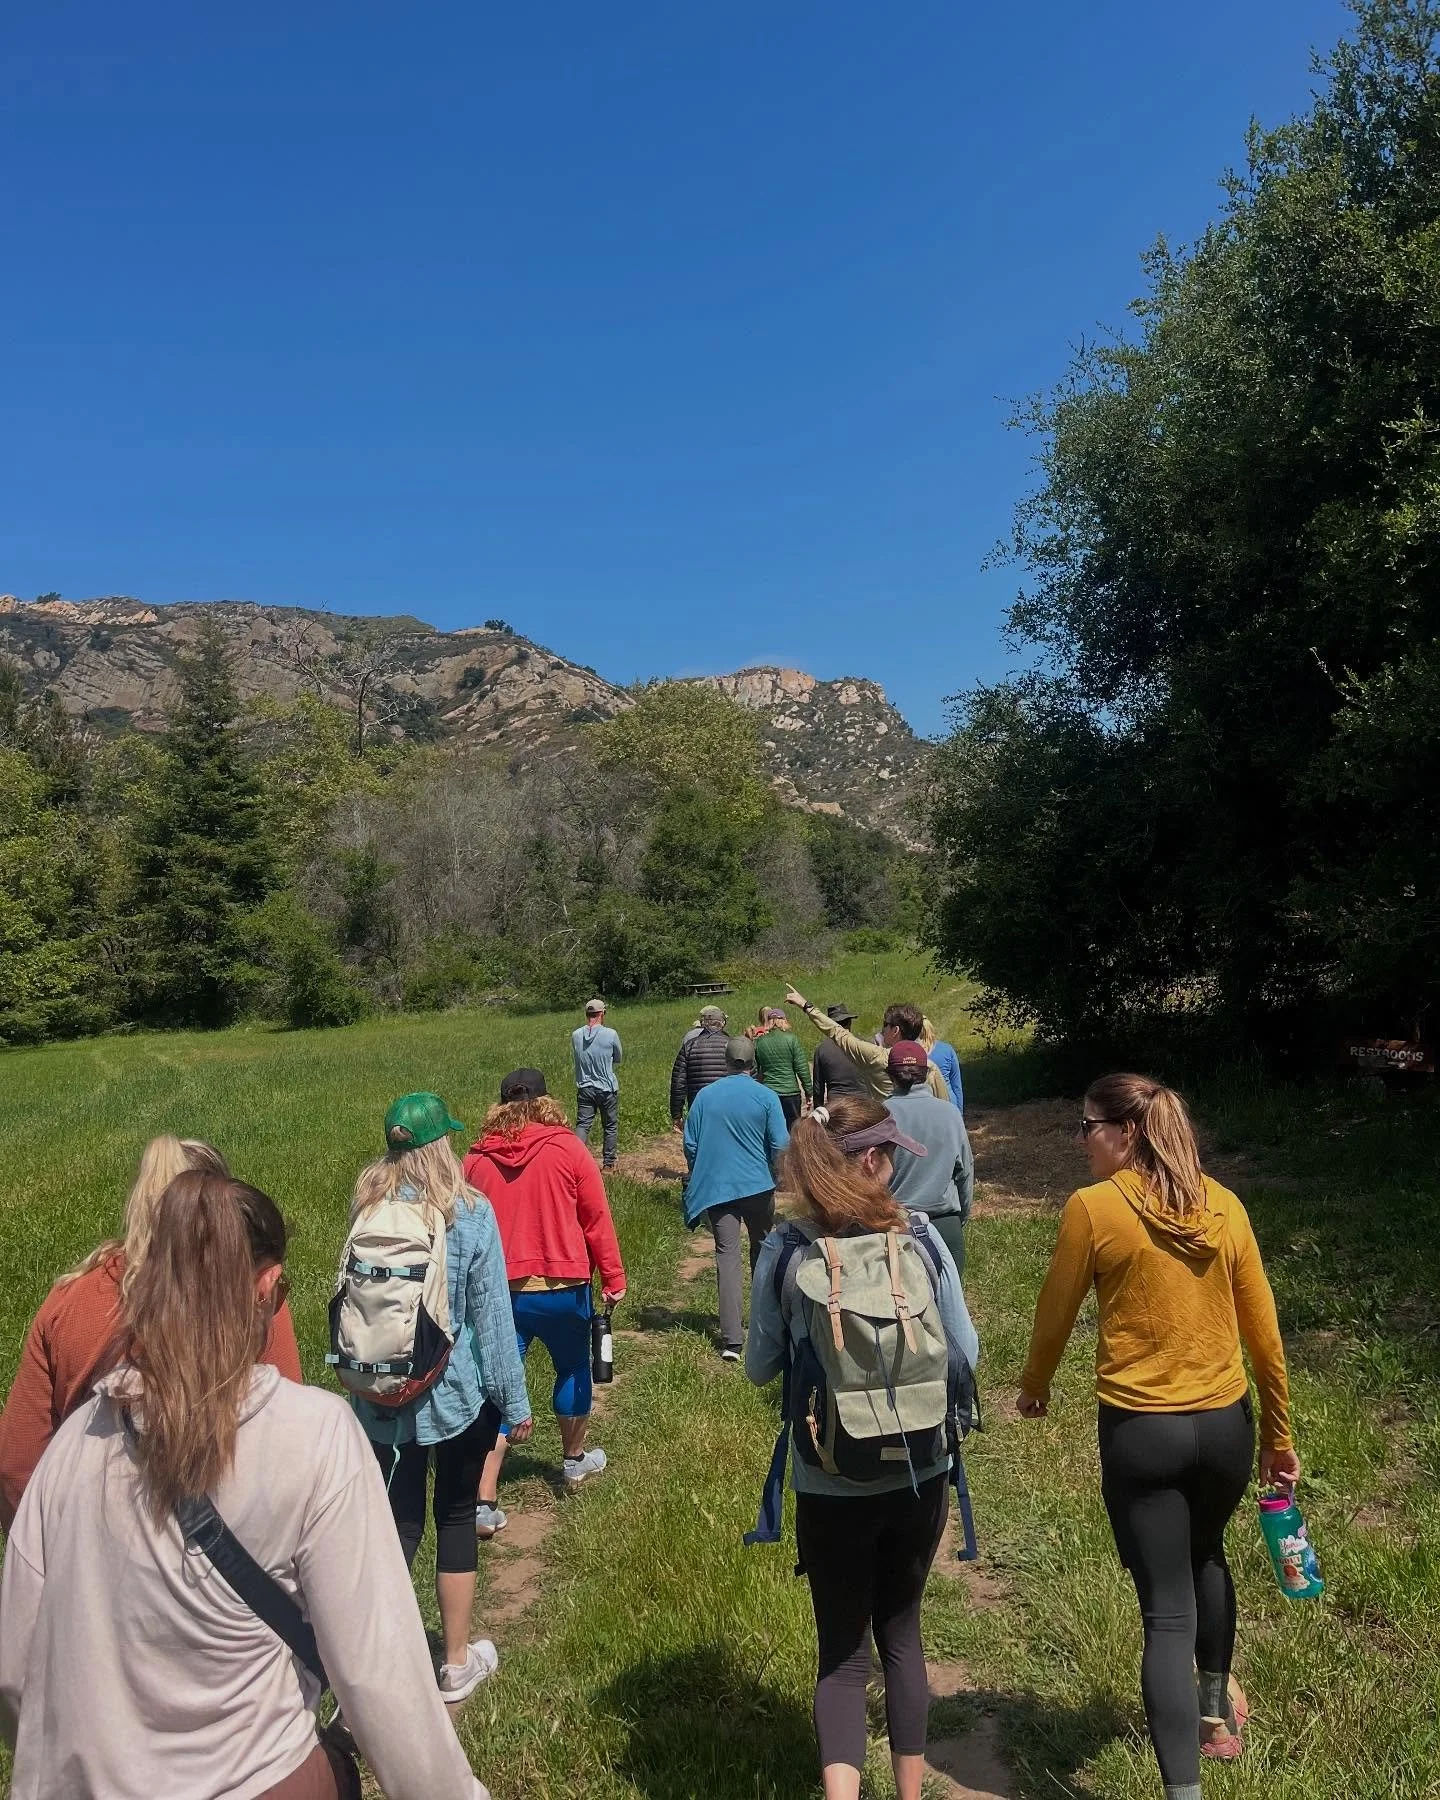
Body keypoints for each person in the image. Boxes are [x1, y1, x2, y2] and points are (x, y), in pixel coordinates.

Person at [0, 1170, 490, 1800]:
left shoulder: (77, 1444)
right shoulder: (314, 1436)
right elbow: (378, 1676)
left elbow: (15, 1674)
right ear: (265, 1287)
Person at [1017, 1073, 1300, 1798]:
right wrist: (1277, 1434)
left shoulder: (1094, 1209)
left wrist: (1036, 1384)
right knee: (1206, 1554)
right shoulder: (1226, 1206)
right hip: (1226, 1431)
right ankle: (1215, 1719)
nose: (1080, 1142)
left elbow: (1055, 1313)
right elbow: (1265, 1337)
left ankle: (1184, 1790)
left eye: (1087, 1128)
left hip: (1143, 1433)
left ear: (1127, 1133)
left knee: (1166, 1610)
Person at [745, 1098, 978, 1800]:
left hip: (830, 1476)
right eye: (892, 1154)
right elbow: (965, 1351)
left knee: (843, 1657)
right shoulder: (924, 1241)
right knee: (903, 1638)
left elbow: (759, 1366)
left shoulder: (786, 1249)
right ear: (872, 1160)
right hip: (921, 1469)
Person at [0, 1135, 302, 1533]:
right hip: (224, 1545)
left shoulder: (71, 1299)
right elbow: (289, 1439)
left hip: (92, 1540)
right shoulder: (251, 1297)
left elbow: (18, 1463)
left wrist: (56, 1550)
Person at [349, 1093, 532, 1703]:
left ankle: (377, 1672)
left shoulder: (367, 1204)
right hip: (452, 1397)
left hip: (380, 1394)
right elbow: (493, 1318)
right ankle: (455, 1664)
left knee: (396, 1522)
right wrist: (514, 1400)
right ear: (441, 1146)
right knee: (454, 1515)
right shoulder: (468, 1212)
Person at [464, 1069, 627, 1526]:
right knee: (573, 1367)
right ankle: (574, 1460)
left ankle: (483, 1499)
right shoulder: (568, 1148)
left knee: (497, 1383)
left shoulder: (475, 1160)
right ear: (546, 1102)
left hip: (499, 1294)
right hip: (563, 1287)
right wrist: (613, 1276)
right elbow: (596, 1219)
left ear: (499, 1107)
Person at [682, 1037, 789, 1360]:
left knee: (726, 1255)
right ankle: (764, 1324)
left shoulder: (705, 1097)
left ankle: (731, 1341)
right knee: (763, 1249)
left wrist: (700, 1168)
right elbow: (780, 1143)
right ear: (753, 1064)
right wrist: (773, 1171)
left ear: (726, 1062)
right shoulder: (767, 1096)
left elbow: (690, 1144)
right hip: (757, 1186)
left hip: (718, 1188)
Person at [883, 1042, 974, 1275]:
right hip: (944, 1225)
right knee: (949, 1307)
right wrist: (961, 1217)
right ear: (926, 1073)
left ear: (891, 1076)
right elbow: (965, 1172)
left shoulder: (880, 1116)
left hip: (895, 1227)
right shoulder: (950, 1114)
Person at [785, 989, 950, 1102]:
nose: (882, 1029)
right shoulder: (929, 1067)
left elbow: (838, 1033)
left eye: (886, 1025)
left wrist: (806, 1006)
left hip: (889, 1133)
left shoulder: (877, 1057)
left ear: (896, 1030)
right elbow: (945, 1106)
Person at [572, 998, 623, 1171]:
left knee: (583, 1124)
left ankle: (574, 1161)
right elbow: (618, 1057)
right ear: (602, 1014)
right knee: (609, 1125)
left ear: (587, 1014)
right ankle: (608, 1163)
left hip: (585, 1087)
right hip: (607, 1088)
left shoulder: (576, 1035)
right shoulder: (611, 1034)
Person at [669, 1004, 732, 1132]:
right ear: (723, 1024)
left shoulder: (690, 1046)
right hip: (728, 1105)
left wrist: (677, 1115)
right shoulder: (733, 1045)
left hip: (698, 1105)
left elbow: (678, 1083)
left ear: (703, 1024)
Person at [752, 1007, 812, 1125]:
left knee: (772, 1127)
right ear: (784, 1021)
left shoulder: (759, 1042)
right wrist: (808, 1092)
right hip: (790, 1093)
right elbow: (802, 1068)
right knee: (793, 1128)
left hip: (769, 1092)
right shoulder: (792, 1040)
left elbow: (755, 1071)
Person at [810, 1003, 870, 1108]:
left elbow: (818, 1088)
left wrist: (818, 1111)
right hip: (863, 1103)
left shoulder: (822, 1050)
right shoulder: (864, 1045)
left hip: (837, 1105)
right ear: (849, 1022)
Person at [920, 1020, 964, 1111]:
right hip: (949, 1102)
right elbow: (956, 1085)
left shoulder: (912, 1053)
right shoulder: (947, 1049)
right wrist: (960, 1112)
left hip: (926, 1104)